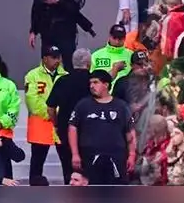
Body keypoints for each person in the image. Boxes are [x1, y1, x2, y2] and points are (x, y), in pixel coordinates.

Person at [68, 70, 137, 185]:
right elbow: (72, 128)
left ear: (106, 85)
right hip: (89, 156)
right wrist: (75, 154)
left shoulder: (121, 106)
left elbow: (130, 131)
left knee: (117, 189)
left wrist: (132, 155)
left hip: (116, 156)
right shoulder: (83, 105)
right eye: (90, 83)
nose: (92, 86)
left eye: (95, 82)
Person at [46, 48, 93, 184]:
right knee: (89, 172)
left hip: (65, 131)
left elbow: (50, 107)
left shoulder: (62, 81)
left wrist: (56, 124)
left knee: (68, 170)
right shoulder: (93, 81)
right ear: (89, 63)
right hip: (89, 132)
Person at [23, 46, 66, 182]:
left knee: (67, 161)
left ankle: (71, 188)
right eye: (54, 57)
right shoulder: (32, 75)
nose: (57, 60)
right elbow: (32, 101)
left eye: (58, 57)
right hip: (41, 125)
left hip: (60, 125)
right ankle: (35, 189)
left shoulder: (65, 75)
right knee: (37, 162)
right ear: (45, 59)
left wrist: (58, 115)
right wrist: (52, 113)